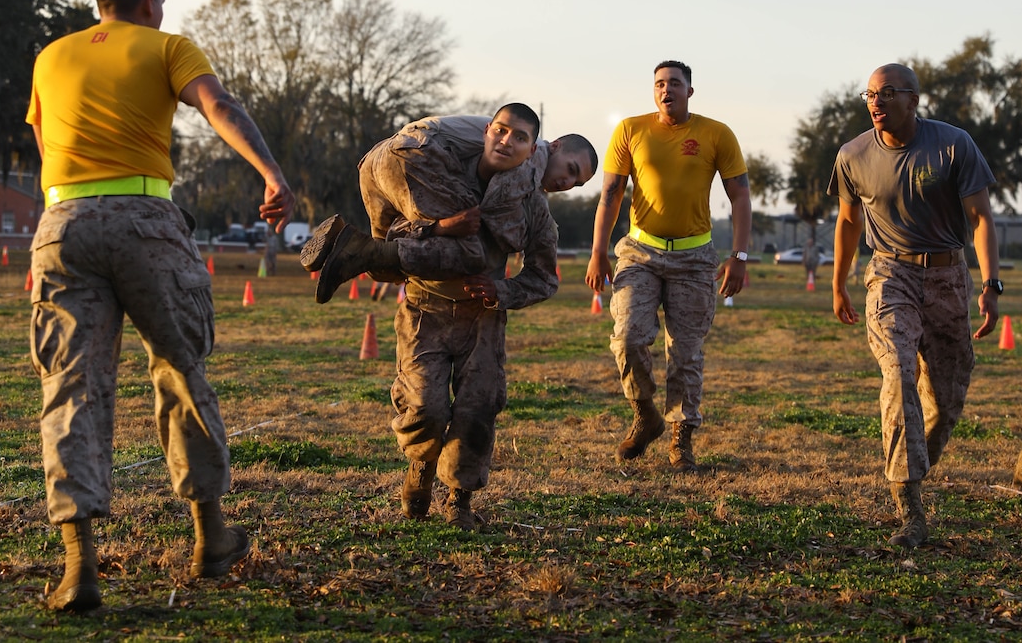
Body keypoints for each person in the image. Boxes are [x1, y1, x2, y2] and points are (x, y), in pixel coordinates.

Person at [26, 0, 295, 611]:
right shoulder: (167, 45)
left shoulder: (50, 57)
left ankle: (77, 568)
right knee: (180, 369)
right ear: (150, 3)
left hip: (61, 224)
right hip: (144, 216)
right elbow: (217, 104)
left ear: (100, 2)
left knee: (71, 388)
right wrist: (270, 173)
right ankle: (211, 538)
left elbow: (42, 139)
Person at [308, 104, 565, 529]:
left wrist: (501, 291)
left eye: (519, 137)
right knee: (425, 408)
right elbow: (397, 234)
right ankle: (420, 468)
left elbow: (544, 278)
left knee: (478, 409)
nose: (506, 141)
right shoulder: (438, 175)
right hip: (424, 310)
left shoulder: (532, 205)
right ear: (487, 131)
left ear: (532, 149)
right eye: (501, 131)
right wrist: (440, 226)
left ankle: (459, 500)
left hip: (482, 320)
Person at [829, 62, 1000, 549]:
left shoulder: (953, 144)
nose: (876, 103)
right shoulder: (853, 154)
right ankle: (910, 507)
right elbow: (847, 222)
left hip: (948, 276)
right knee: (898, 371)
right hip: (889, 273)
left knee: (945, 403)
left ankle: (913, 465)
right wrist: (839, 283)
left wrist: (991, 283)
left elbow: (981, 217)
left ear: (914, 100)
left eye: (887, 94)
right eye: (869, 95)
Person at [584, 60, 751, 472]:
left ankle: (681, 437)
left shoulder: (716, 133)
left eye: (674, 83)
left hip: (695, 259)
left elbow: (741, 197)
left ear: (690, 91)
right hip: (639, 253)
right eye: (659, 84)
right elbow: (610, 195)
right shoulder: (630, 129)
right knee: (627, 337)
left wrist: (739, 256)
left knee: (686, 352)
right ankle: (645, 414)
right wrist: (597, 250)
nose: (666, 90)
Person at [301, 113, 596, 302]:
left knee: (385, 267)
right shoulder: (530, 159)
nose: (566, 182)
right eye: (570, 169)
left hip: (377, 162)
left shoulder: (518, 154)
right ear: (553, 146)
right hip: (418, 156)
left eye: (577, 183)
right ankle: (355, 247)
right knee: (470, 251)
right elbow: (491, 214)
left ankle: (335, 241)